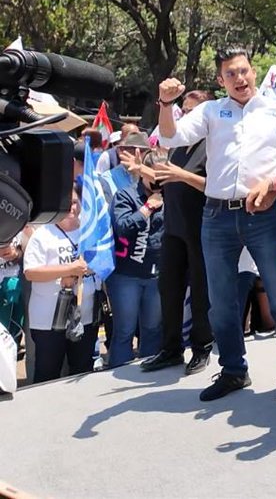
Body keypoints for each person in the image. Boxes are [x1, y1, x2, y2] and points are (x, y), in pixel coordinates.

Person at [157, 47, 276, 403]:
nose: (239, 79)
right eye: (231, 74)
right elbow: (170, 137)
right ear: (220, 80)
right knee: (220, 301)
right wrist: (165, 104)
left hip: (262, 213)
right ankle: (233, 370)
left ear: (253, 72)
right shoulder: (211, 111)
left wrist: (275, 186)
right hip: (216, 215)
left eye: (243, 71)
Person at [143, 90, 214, 374]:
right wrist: (151, 177)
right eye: (182, 110)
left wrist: (181, 175)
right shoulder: (176, 143)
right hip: (173, 226)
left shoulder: (213, 144)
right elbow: (167, 180)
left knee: (200, 292)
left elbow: (213, 185)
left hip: (200, 227)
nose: (184, 115)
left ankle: (202, 348)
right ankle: (171, 349)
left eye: (191, 111)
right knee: (169, 289)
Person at [23, 187, 101, 383]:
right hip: (48, 321)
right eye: (66, 203)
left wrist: (87, 269)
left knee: (82, 371)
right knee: (48, 374)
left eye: (75, 202)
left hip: (85, 316)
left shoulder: (89, 230)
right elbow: (31, 272)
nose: (72, 208)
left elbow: (102, 262)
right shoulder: (43, 234)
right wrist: (68, 270)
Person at [107, 150, 167, 367]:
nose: (159, 184)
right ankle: (117, 371)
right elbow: (122, 228)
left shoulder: (170, 194)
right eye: (155, 179)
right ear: (143, 175)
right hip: (126, 275)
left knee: (152, 329)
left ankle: (148, 367)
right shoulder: (125, 195)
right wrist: (147, 208)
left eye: (164, 179)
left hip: (156, 275)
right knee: (124, 330)